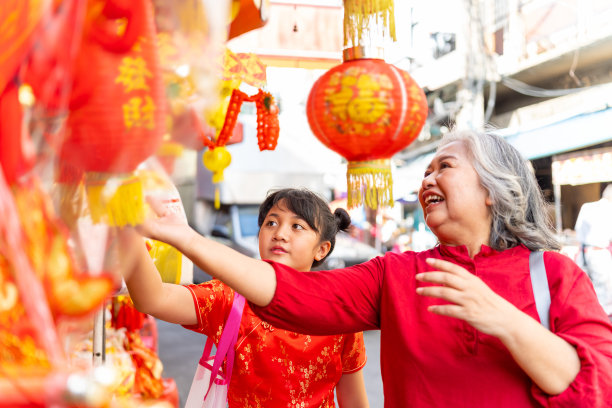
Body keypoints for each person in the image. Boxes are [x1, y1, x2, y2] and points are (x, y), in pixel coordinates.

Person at [135, 129, 612, 407]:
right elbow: (293, 295)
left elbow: (597, 389)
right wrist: (185, 236)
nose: (427, 179)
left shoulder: (553, 274)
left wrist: (505, 320)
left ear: (493, 188)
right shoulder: (397, 274)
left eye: (444, 166)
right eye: (426, 171)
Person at [119, 188, 370, 408]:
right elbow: (154, 299)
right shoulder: (231, 296)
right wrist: (127, 234)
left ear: (322, 249)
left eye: (297, 226)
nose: (280, 233)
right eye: (271, 223)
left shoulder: (339, 310)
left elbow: (354, 400)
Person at [575, 184, 612, 318]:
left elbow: (578, 229)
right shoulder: (609, 209)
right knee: (605, 293)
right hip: (599, 253)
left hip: (584, 252)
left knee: (586, 289)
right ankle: (602, 321)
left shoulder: (587, 206)